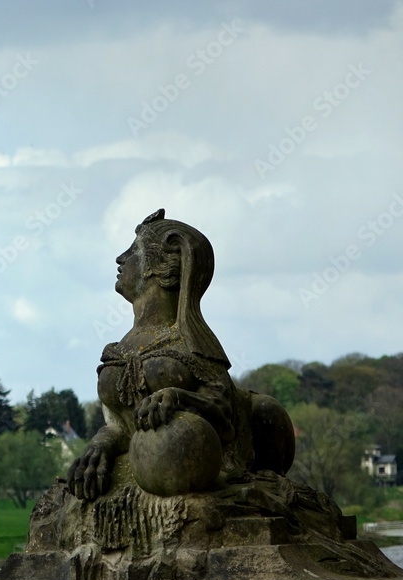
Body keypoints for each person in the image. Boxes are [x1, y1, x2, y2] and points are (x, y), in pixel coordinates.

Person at [67, 209, 294, 500]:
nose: (120, 259)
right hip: (146, 465)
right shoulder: (120, 350)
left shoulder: (191, 343)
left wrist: (178, 395)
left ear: (162, 268)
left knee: (265, 411)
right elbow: (121, 424)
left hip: (201, 462)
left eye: (133, 252)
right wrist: (101, 444)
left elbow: (223, 415)